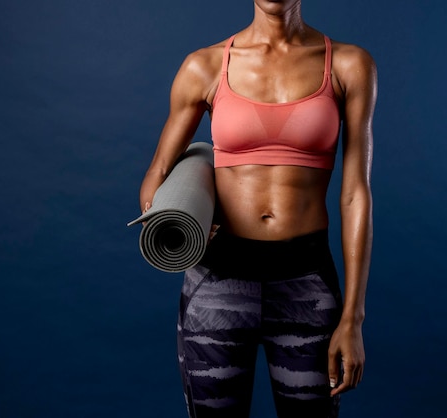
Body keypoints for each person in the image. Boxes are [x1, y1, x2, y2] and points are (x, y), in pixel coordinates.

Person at [138, 1, 376, 416]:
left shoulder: (349, 65)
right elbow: (157, 173)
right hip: (218, 282)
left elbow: (355, 193)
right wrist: (181, 216)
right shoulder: (205, 66)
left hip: (306, 281)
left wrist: (353, 319)